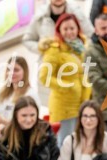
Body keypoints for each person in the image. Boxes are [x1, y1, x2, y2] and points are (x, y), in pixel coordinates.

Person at [24, 0, 93, 104]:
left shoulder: (76, 12)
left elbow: (91, 35)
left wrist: (83, 46)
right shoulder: (40, 16)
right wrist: (41, 47)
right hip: (52, 69)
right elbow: (27, 39)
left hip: (76, 68)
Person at [39, 13, 92, 147]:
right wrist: (66, 86)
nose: (69, 32)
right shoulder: (55, 50)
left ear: (77, 29)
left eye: (72, 28)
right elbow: (44, 77)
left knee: (79, 142)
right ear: (59, 31)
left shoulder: (81, 48)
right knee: (64, 143)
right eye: (65, 29)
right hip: (64, 106)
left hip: (81, 104)